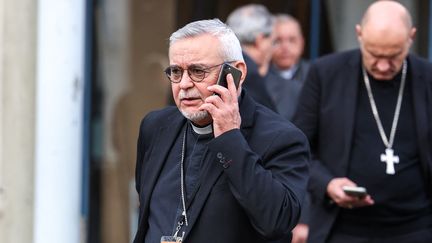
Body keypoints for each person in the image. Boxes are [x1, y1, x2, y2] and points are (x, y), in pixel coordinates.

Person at [133, 19, 310, 243]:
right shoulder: (155, 127)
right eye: (176, 72)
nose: (184, 84)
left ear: (236, 73)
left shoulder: (282, 138)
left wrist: (230, 138)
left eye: (198, 71)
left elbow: (276, 221)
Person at [292, 1, 432, 243]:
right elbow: (297, 147)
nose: (383, 65)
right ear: (359, 34)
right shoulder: (326, 74)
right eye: (374, 54)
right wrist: (328, 184)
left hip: (417, 227)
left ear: (411, 37)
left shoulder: (427, 78)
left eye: (394, 55)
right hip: (342, 229)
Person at [226, 4, 277, 112]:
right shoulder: (247, 72)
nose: (273, 48)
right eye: (273, 42)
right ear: (260, 40)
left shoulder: (223, 63)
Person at [266, 14, 309, 121]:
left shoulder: (314, 75)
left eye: (292, 40)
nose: (285, 47)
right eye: (278, 41)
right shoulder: (259, 77)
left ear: (302, 43)